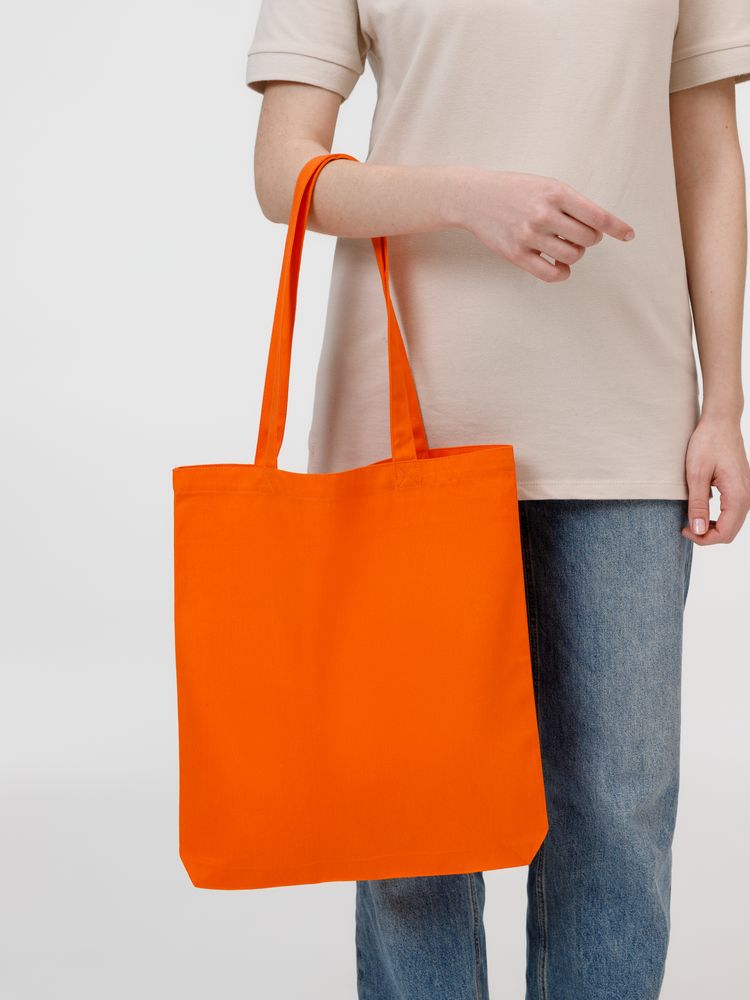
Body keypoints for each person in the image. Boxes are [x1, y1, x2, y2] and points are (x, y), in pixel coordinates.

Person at [244, 2, 750, 997]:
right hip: (407, 421)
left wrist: (724, 403)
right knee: (415, 832)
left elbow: (707, 151)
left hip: (626, 421)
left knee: (617, 818)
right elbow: (282, 170)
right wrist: (464, 196)